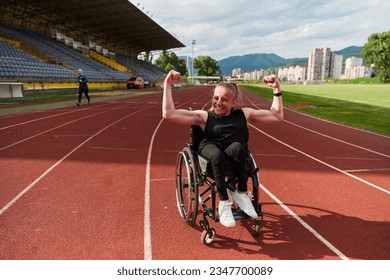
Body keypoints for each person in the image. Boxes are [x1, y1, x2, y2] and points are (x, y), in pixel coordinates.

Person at [162, 70, 283, 227]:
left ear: (234, 103)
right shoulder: (204, 117)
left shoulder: (243, 114)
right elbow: (169, 113)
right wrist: (167, 85)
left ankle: (241, 193)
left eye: (224, 100)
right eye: (216, 98)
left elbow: (277, 116)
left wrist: (276, 89)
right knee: (217, 155)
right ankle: (224, 202)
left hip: (234, 156)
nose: (218, 102)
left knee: (239, 147)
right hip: (210, 152)